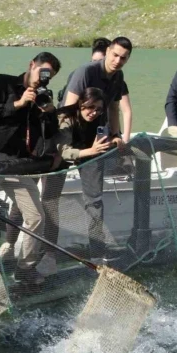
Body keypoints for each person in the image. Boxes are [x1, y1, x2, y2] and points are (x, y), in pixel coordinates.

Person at [0, 52, 62, 284]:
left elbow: (48, 133)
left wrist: (49, 114)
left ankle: (25, 269)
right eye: (42, 72)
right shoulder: (3, 82)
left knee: (36, 217)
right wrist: (18, 103)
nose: (43, 78)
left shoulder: (42, 96)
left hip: (17, 165)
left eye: (50, 76)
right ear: (31, 65)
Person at [54, 87, 111, 261]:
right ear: (80, 104)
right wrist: (89, 151)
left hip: (90, 154)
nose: (93, 112)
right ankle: (46, 250)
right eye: (90, 107)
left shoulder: (102, 117)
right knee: (49, 200)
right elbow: (63, 151)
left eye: (98, 109)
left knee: (95, 202)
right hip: (61, 155)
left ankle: (97, 250)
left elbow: (107, 134)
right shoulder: (66, 118)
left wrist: (114, 137)